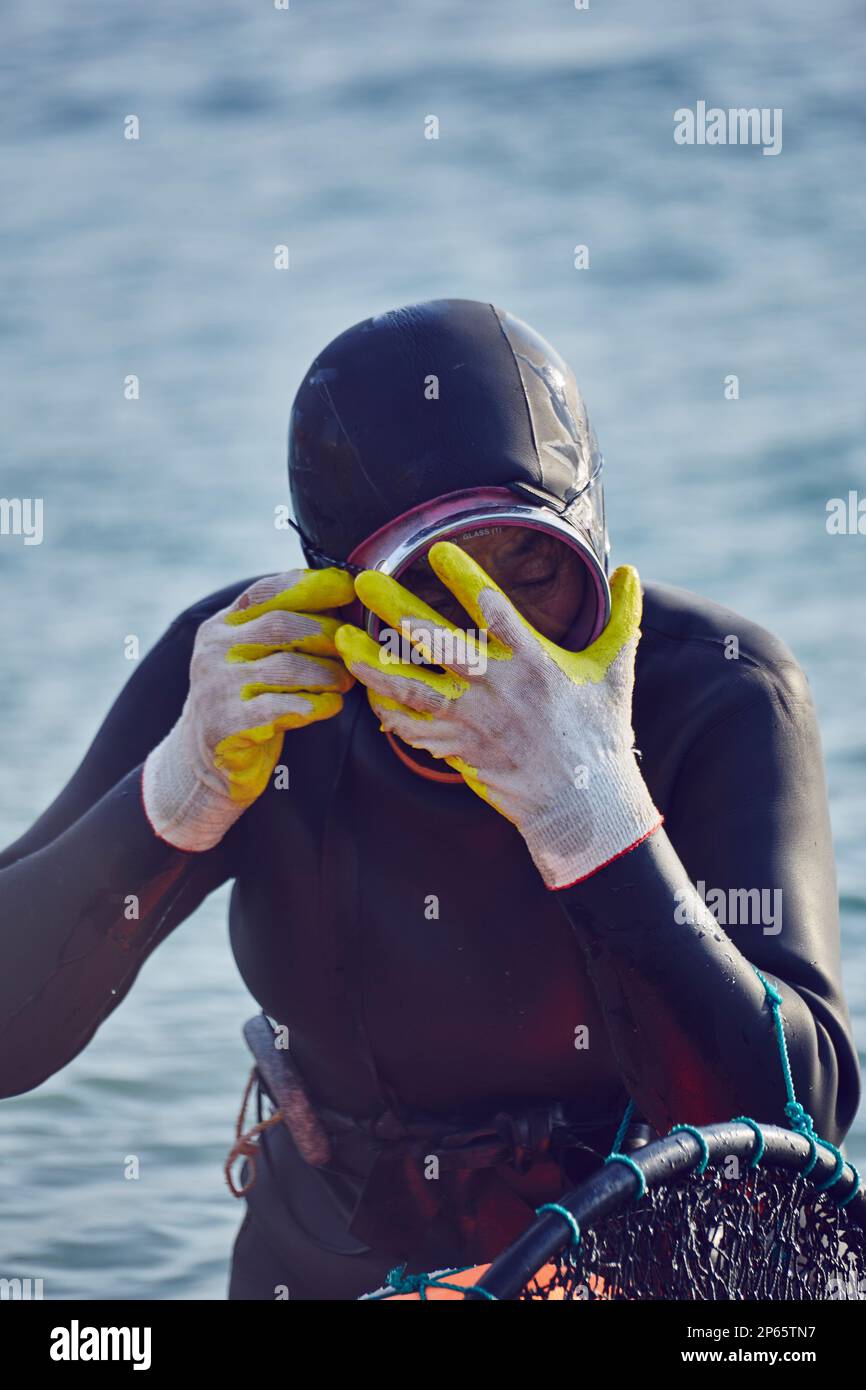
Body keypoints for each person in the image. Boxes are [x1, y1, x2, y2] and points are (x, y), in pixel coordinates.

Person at [0, 299, 859, 1301]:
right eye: (429, 598)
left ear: (593, 537)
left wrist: (591, 817)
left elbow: (798, 1133)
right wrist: (171, 795)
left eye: (534, 570)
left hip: (633, 1260)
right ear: (339, 596)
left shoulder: (716, 688)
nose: (489, 647)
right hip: (327, 1263)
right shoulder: (255, 686)